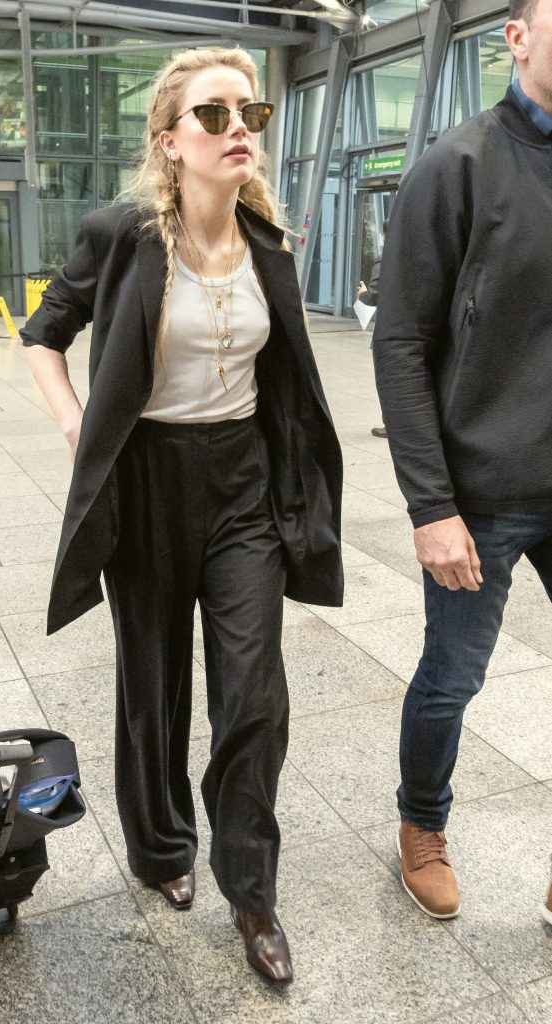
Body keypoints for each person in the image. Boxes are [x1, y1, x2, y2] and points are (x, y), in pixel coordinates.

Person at [21, 47, 343, 983]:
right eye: (212, 114)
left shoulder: (266, 244)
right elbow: (44, 334)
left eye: (250, 112)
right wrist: (79, 427)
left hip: (242, 484)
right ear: (168, 141)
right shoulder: (121, 235)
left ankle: (252, 892)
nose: (237, 127)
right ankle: (163, 849)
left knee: (253, 694)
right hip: (148, 479)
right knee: (152, 681)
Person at [373, 0, 552, 922]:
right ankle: (421, 823)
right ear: (515, 37)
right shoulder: (457, 164)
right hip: (481, 493)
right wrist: (429, 506)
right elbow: (400, 342)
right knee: (451, 679)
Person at [357, 220, 389, 438]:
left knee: (387, 379)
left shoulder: (385, 257)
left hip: (389, 331)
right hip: (420, 327)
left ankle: (391, 425)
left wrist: (362, 294)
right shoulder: (419, 254)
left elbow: (373, 296)